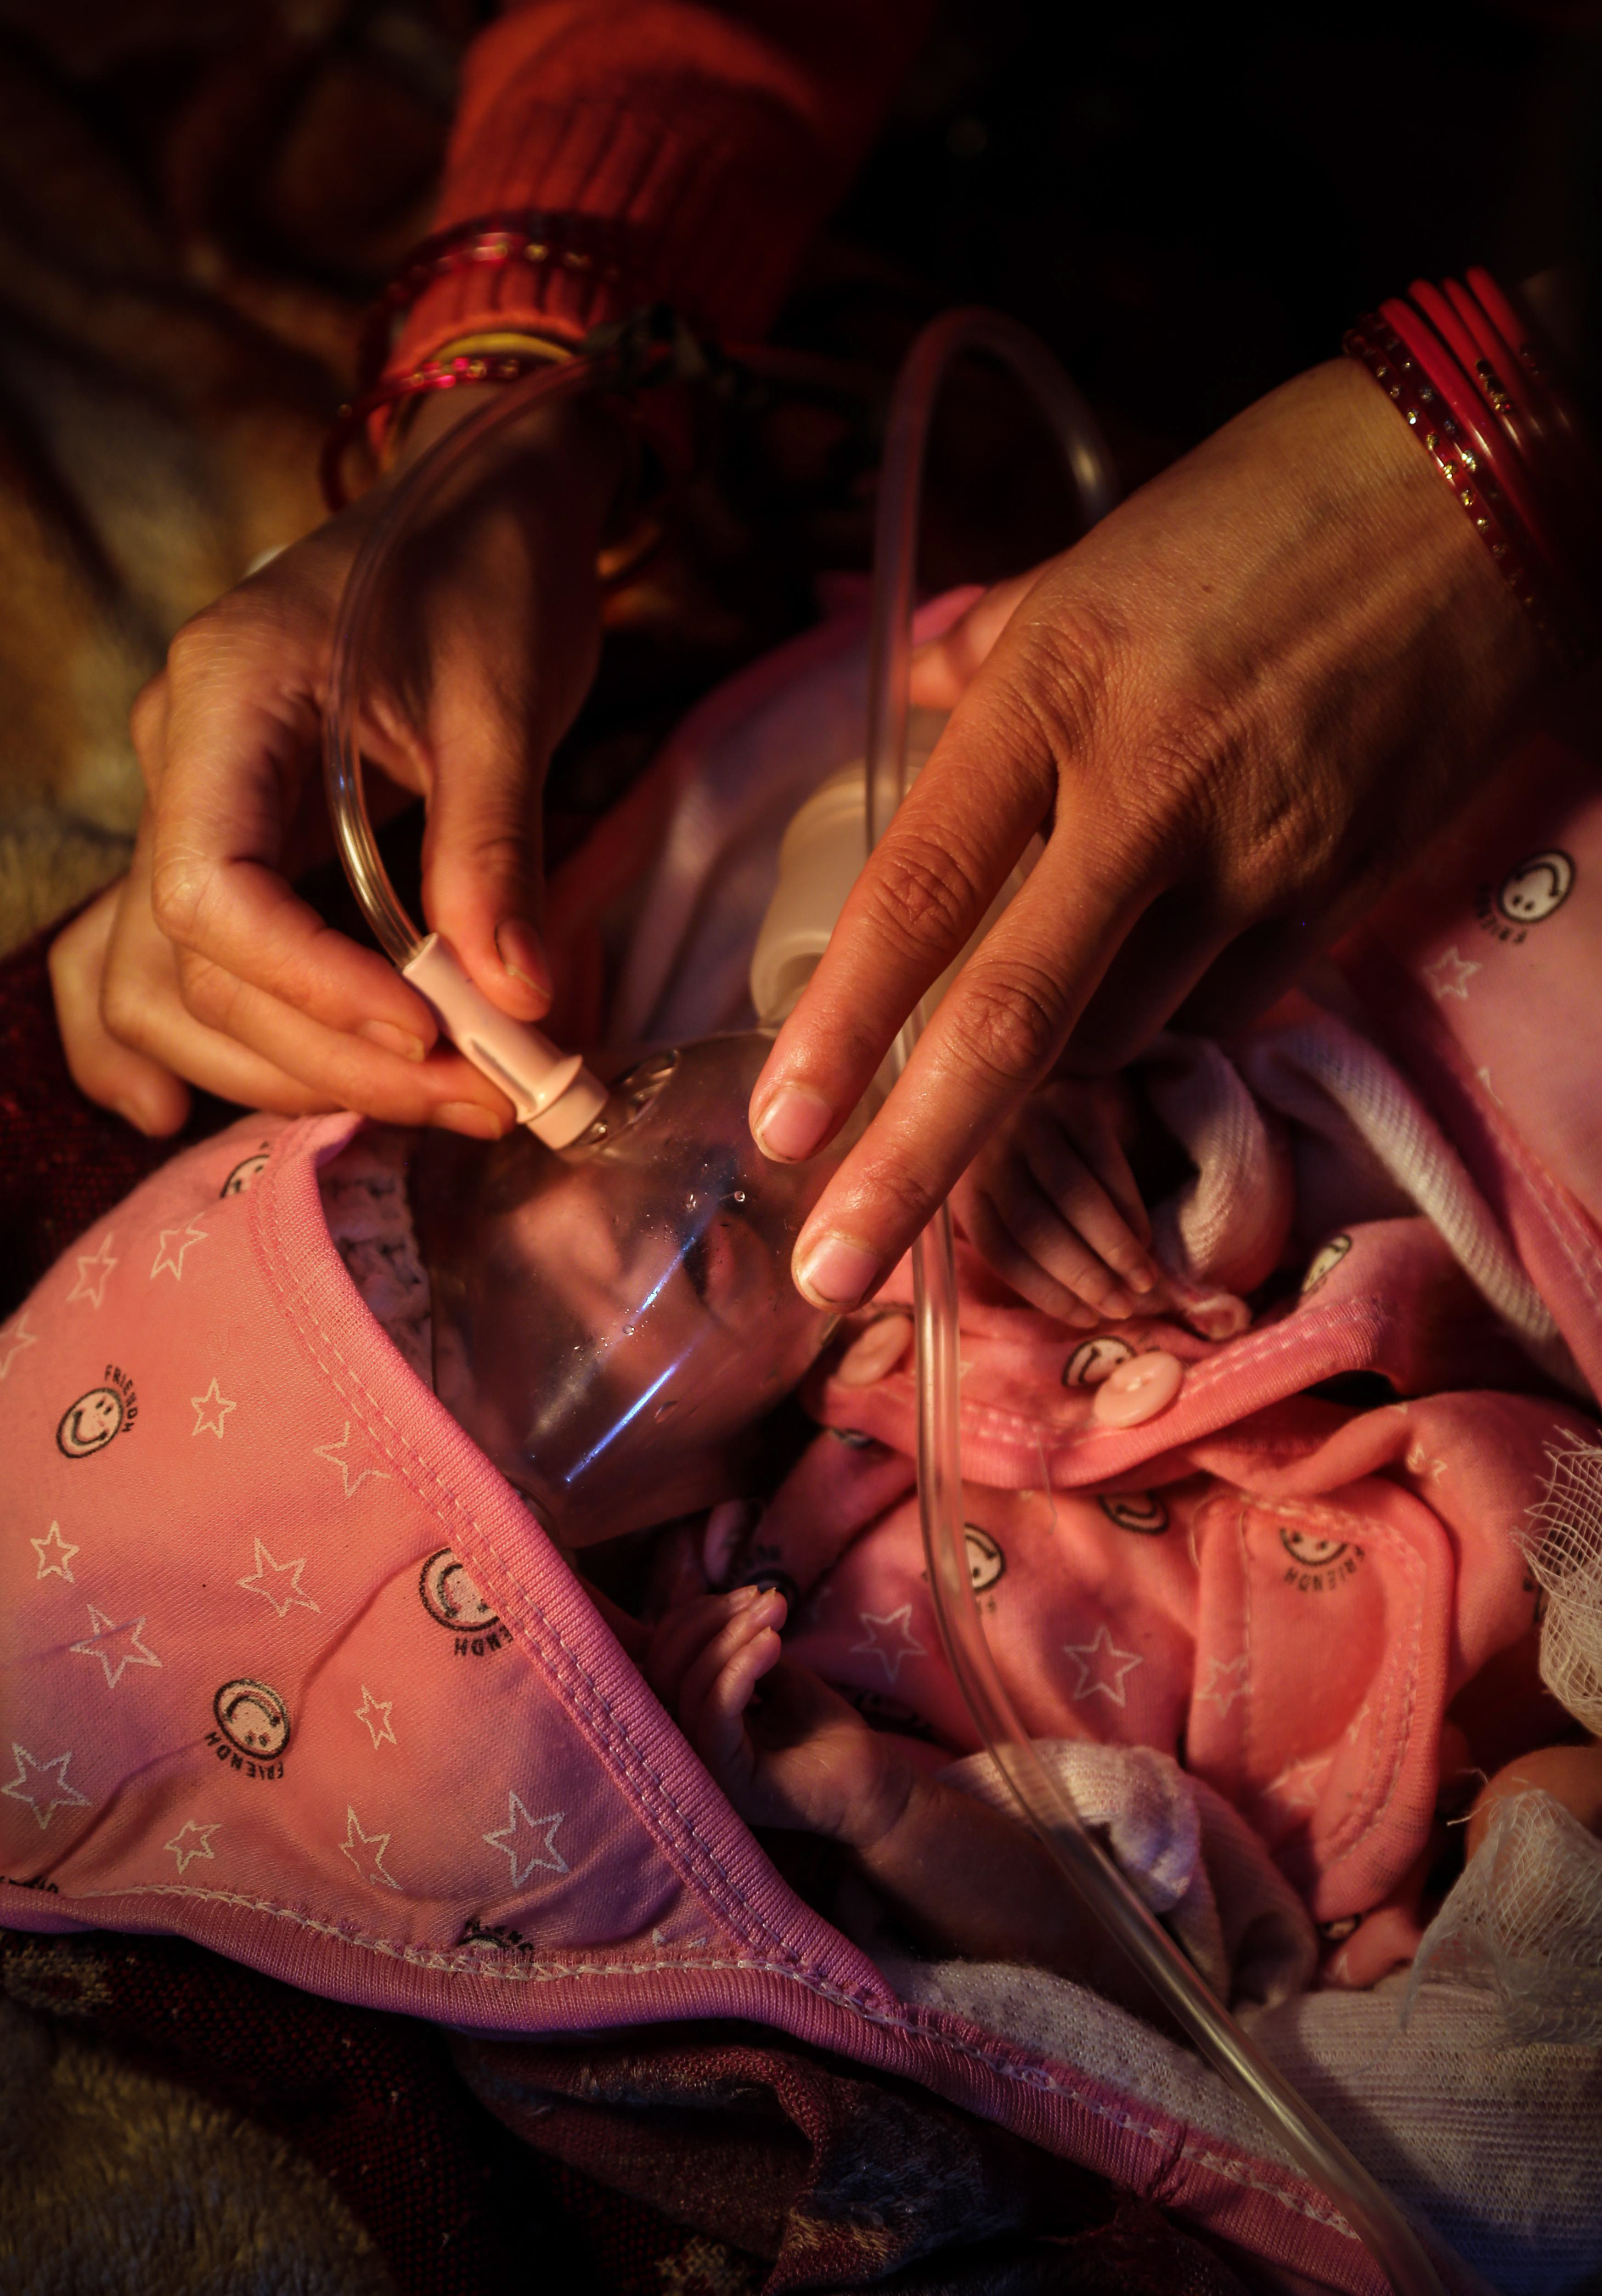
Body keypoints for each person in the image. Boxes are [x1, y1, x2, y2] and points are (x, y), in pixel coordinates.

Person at [45, 0, 1577, 1341]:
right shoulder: (880, 1455)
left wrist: (1516, 434)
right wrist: (511, 418)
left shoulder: (707, 941)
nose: (615, 1291)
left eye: (450, 1268)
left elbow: (898, 792)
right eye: (500, 1387)